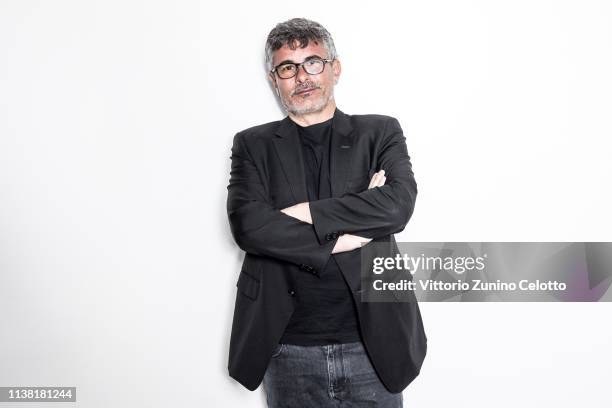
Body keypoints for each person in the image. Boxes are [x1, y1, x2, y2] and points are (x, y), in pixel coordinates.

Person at [226, 17, 427, 407]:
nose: (302, 76)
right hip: (288, 347)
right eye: (288, 67)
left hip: (374, 344)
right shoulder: (252, 144)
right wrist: (354, 231)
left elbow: (398, 205)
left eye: (313, 62)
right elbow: (249, 227)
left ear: (335, 68)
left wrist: (299, 213)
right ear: (274, 79)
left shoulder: (379, 132)